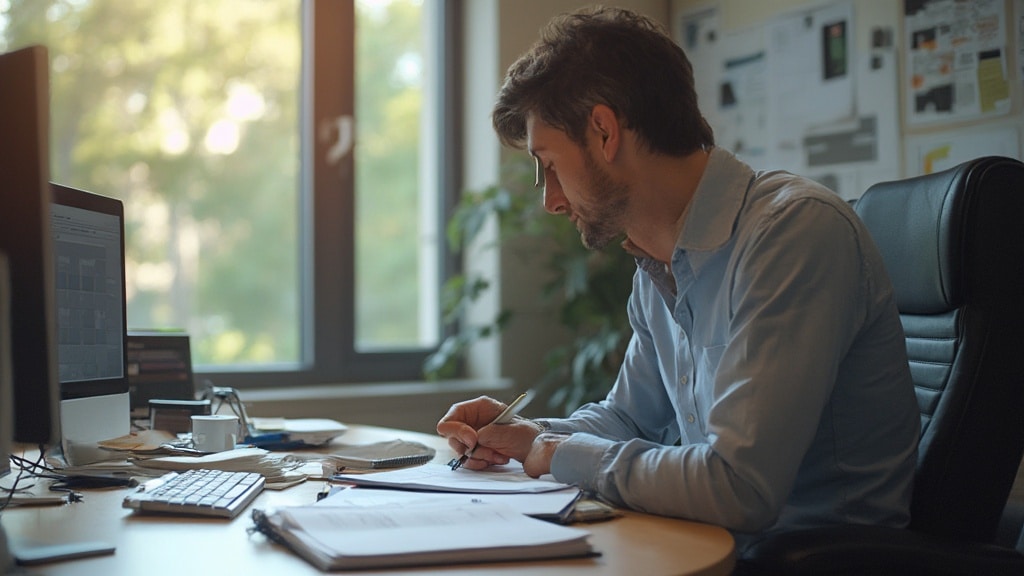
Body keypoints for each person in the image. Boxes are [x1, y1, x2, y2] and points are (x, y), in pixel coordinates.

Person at [435, 5, 919, 553]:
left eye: (548, 163)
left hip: (818, 560)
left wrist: (553, 452)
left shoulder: (793, 233)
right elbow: (628, 418)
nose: (549, 199)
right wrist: (522, 436)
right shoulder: (659, 262)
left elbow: (740, 487)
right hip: (708, 547)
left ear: (603, 131)